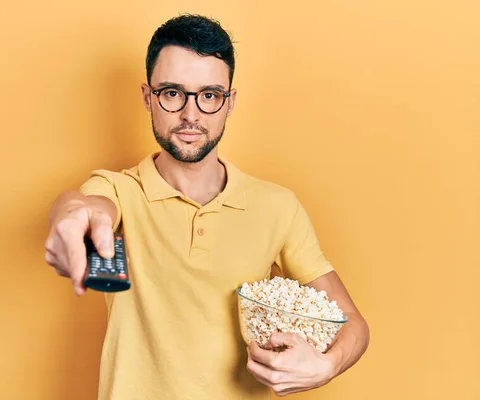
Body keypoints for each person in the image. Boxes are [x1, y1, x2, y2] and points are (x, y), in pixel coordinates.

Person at [45, 14, 370, 400]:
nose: (191, 114)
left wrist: (327, 367)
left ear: (230, 103)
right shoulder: (120, 190)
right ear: (148, 97)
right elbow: (85, 205)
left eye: (209, 95)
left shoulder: (277, 207)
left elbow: (353, 322)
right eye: (172, 93)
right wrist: (73, 216)